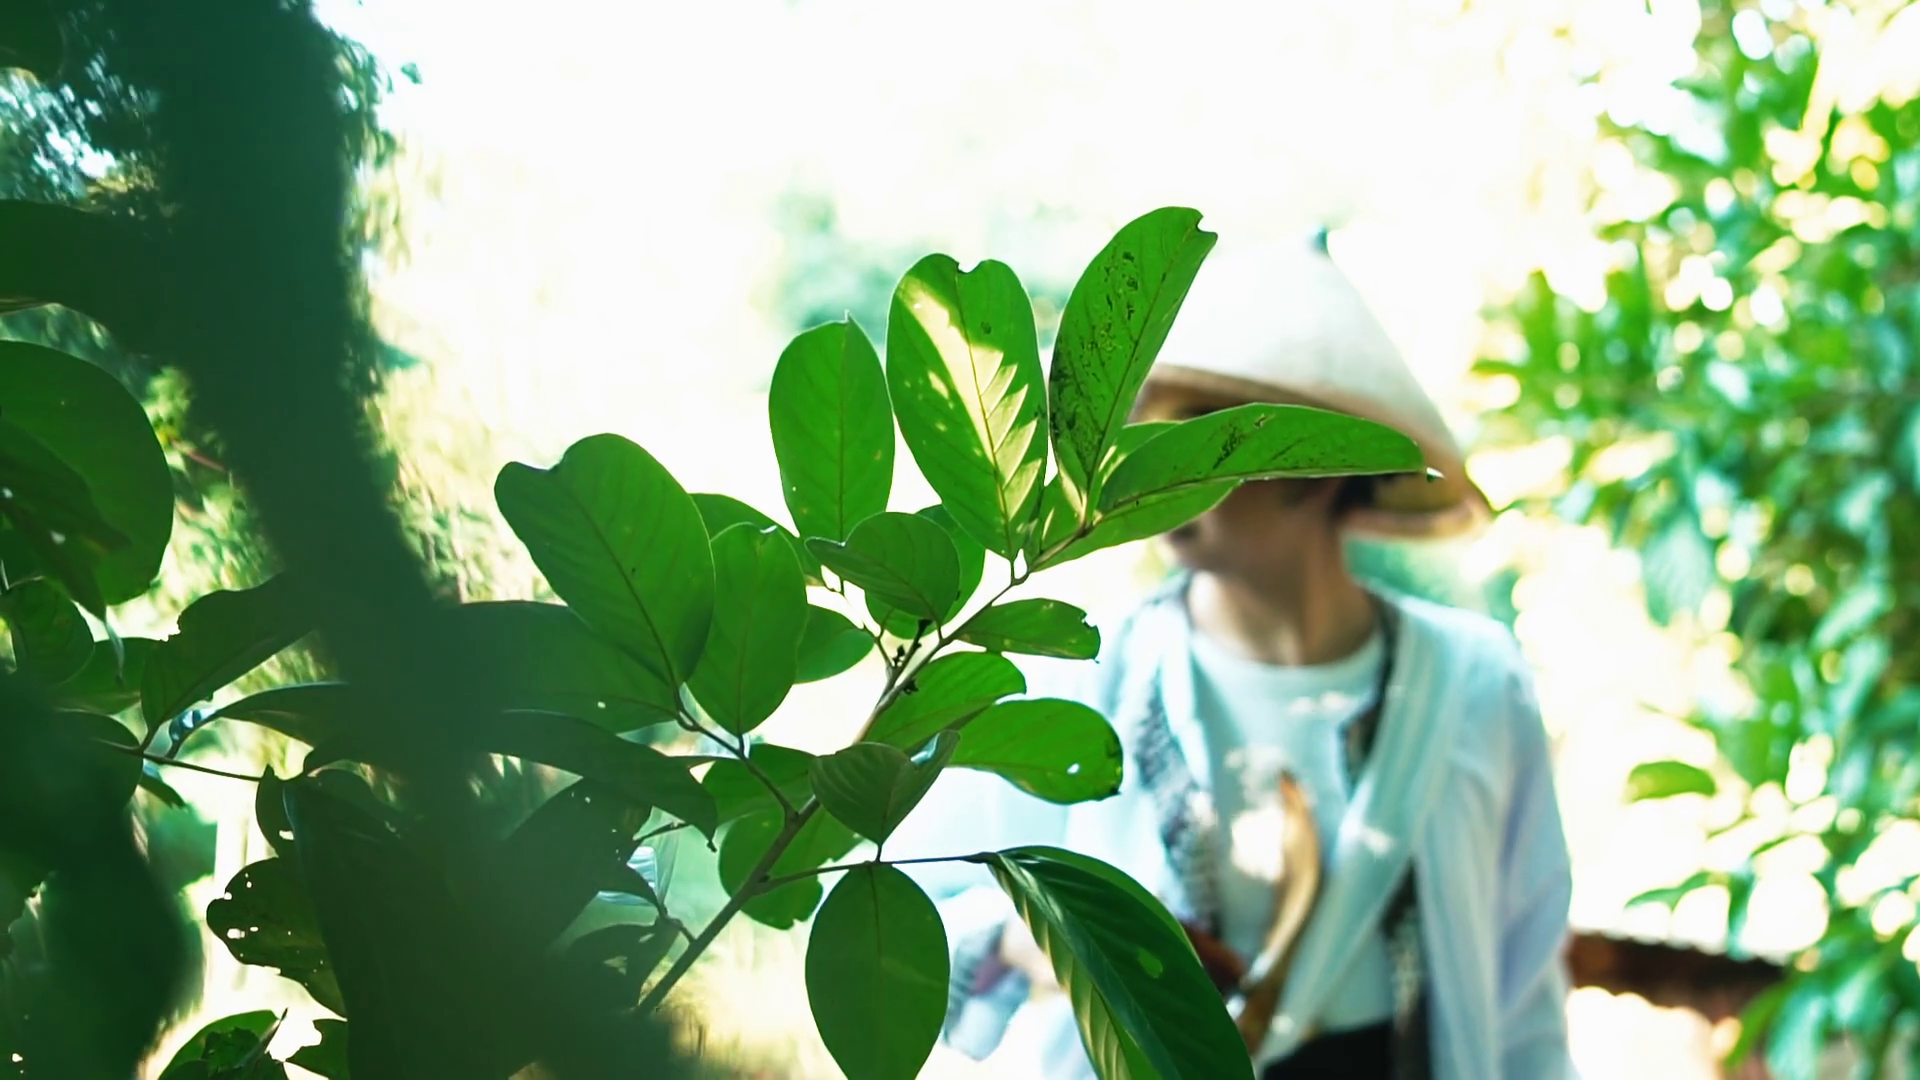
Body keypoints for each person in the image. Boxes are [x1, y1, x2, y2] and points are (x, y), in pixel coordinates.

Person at [889, 232, 1576, 1079]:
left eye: (1192, 434)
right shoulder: (1085, 673)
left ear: (1316, 467)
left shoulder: (1475, 684)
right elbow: (912, 898)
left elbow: (1524, 984)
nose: (1145, 468)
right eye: (1140, 432)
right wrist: (1048, 940)